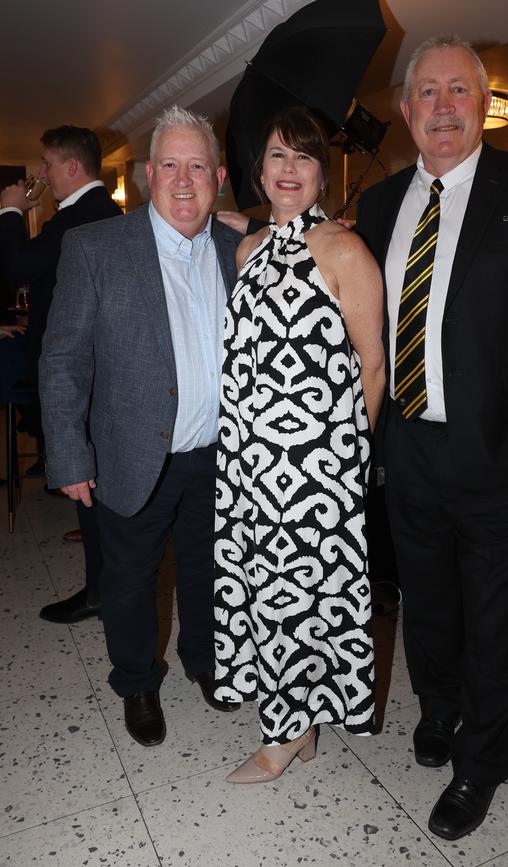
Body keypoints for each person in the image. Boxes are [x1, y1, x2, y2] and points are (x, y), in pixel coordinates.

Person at [355, 35, 508, 840]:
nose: (444, 106)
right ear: (406, 109)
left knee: (497, 617)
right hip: (411, 450)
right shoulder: (382, 204)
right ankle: (440, 708)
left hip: (507, 456)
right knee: (426, 603)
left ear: (483, 103)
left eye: (461, 90)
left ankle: (483, 760)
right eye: (429, 91)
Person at [40, 106, 242, 747]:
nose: (185, 181)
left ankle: (206, 662)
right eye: (172, 166)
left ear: (219, 177)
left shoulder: (245, 247)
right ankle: (136, 681)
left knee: (211, 569)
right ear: (150, 173)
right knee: (129, 580)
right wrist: (69, 455)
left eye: (199, 167)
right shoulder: (96, 247)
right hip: (132, 452)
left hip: (221, 455)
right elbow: (63, 356)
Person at [214, 106, 384, 783]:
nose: (288, 169)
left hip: (317, 466)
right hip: (249, 460)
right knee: (264, 588)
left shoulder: (345, 249)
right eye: (277, 156)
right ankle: (302, 724)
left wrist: (347, 459)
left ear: (322, 175)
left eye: (303, 158)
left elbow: (373, 365)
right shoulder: (248, 249)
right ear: (259, 170)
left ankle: (284, 736)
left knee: (300, 595)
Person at [0, 125, 123, 624]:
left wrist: (10, 208)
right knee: (89, 481)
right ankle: (103, 585)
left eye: (48, 165)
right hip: (91, 368)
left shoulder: (83, 216)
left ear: (72, 167)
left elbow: (16, 266)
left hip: (85, 373)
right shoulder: (88, 214)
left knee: (90, 479)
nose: (43, 176)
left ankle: (102, 590)